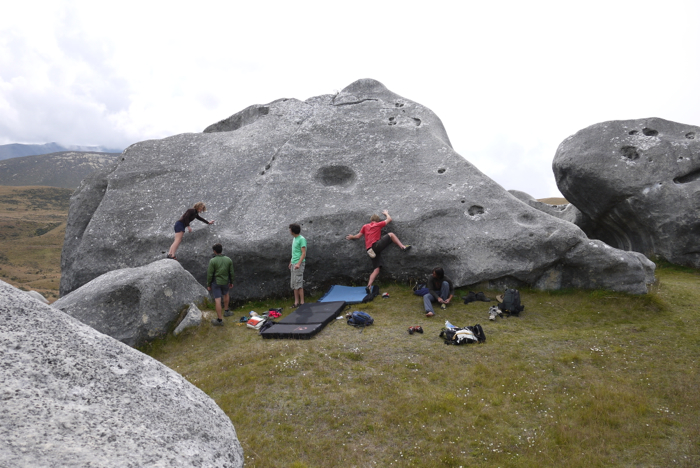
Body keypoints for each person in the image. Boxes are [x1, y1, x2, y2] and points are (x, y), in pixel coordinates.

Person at [346, 210, 410, 293]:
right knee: (391, 234)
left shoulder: (365, 226)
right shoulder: (378, 224)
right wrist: (386, 213)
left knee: (377, 269)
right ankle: (403, 247)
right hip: (376, 246)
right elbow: (389, 219)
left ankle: (368, 286)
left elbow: (358, 236)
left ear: (371, 220)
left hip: (369, 250)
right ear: (377, 220)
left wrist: (352, 237)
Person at [206, 243, 234, 326]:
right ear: (221, 250)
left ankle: (219, 320)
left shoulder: (213, 261)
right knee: (226, 294)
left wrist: (209, 284)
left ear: (214, 251)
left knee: (217, 300)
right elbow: (231, 272)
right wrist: (231, 282)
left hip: (216, 283)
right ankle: (226, 311)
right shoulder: (228, 259)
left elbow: (210, 274)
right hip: (225, 282)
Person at [288, 223, 307, 308]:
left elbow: (303, 253)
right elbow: (294, 253)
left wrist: (298, 264)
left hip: (299, 264)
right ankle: (296, 303)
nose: (289, 230)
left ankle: (302, 303)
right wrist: (291, 262)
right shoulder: (294, 239)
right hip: (293, 263)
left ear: (293, 231)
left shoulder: (301, 239)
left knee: (299, 284)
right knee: (294, 284)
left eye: (290, 229)